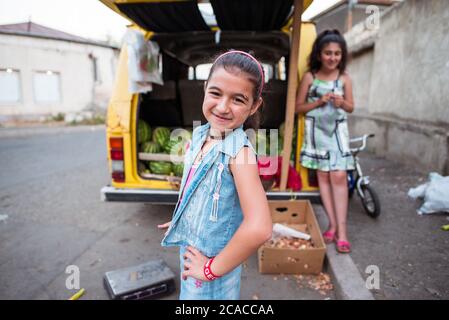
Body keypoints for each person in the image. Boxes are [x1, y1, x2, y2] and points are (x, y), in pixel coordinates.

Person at [157, 50, 272, 299]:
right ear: (205, 88)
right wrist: (184, 219)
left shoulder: (239, 154)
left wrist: (210, 269)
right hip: (191, 251)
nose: (222, 107)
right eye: (216, 93)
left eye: (238, 99)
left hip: (212, 267)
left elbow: (260, 228)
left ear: (254, 106)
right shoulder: (201, 135)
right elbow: (194, 186)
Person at [295, 29, 355, 253]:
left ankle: (342, 231)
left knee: (338, 176)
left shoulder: (344, 78)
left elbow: (351, 107)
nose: (332, 58)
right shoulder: (310, 77)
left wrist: (342, 103)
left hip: (337, 134)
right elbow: (298, 108)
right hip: (316, 134)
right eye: (328, 53)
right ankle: (331, 224)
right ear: (319, 54)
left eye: (337, 54)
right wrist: (319, 102)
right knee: (323, 176)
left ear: (342, 55)